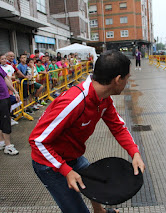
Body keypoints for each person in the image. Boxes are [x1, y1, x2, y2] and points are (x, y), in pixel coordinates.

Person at [29, 50, 145, 213]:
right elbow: (37, 141)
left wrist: (135, 153)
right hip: (49, 164)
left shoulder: (103, 98)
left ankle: (100, 211)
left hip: (73, 156)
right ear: (118, 80)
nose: (127, 82)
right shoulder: (74, 102)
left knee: (96, 183)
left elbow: (118, 127)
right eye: (127, 78)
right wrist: (66, 171)